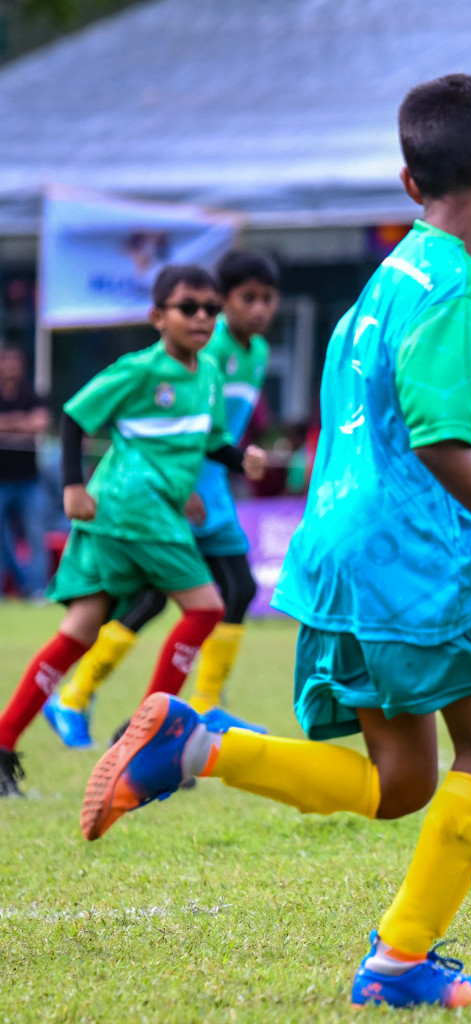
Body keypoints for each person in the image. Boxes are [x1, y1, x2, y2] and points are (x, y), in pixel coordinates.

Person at [78, 75, 471, 1009]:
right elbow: (441, 439)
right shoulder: (458, 283)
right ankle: (402, 963)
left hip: (332, 547)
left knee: (403, 778)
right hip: (407, 552)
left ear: (408, 184)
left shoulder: (385, 279)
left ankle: (199, 746)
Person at [0, 265, 267, 796]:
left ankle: (4, 743)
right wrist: (73, 487)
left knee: (80, 631)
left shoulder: (208, 376)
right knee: (209, 606)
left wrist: (241, 460)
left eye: (211, 309)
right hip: (129, 507)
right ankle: (147, 739)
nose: (202, 317)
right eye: (188, 307)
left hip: (144, 512)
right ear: (156, 316)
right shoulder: (140, 369)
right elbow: (75, 417)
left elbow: (206, 442)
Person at [0, 345, 49, 598]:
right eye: (6, 362)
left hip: (29, 479)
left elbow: (40, 423)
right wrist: (23, 424)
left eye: (15, 362)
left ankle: (37, 590)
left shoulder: (32, 394)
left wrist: (8, 425)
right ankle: (14, 585)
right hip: (1, 479)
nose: (11, 367)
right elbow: (30, 424)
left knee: (35, 536)